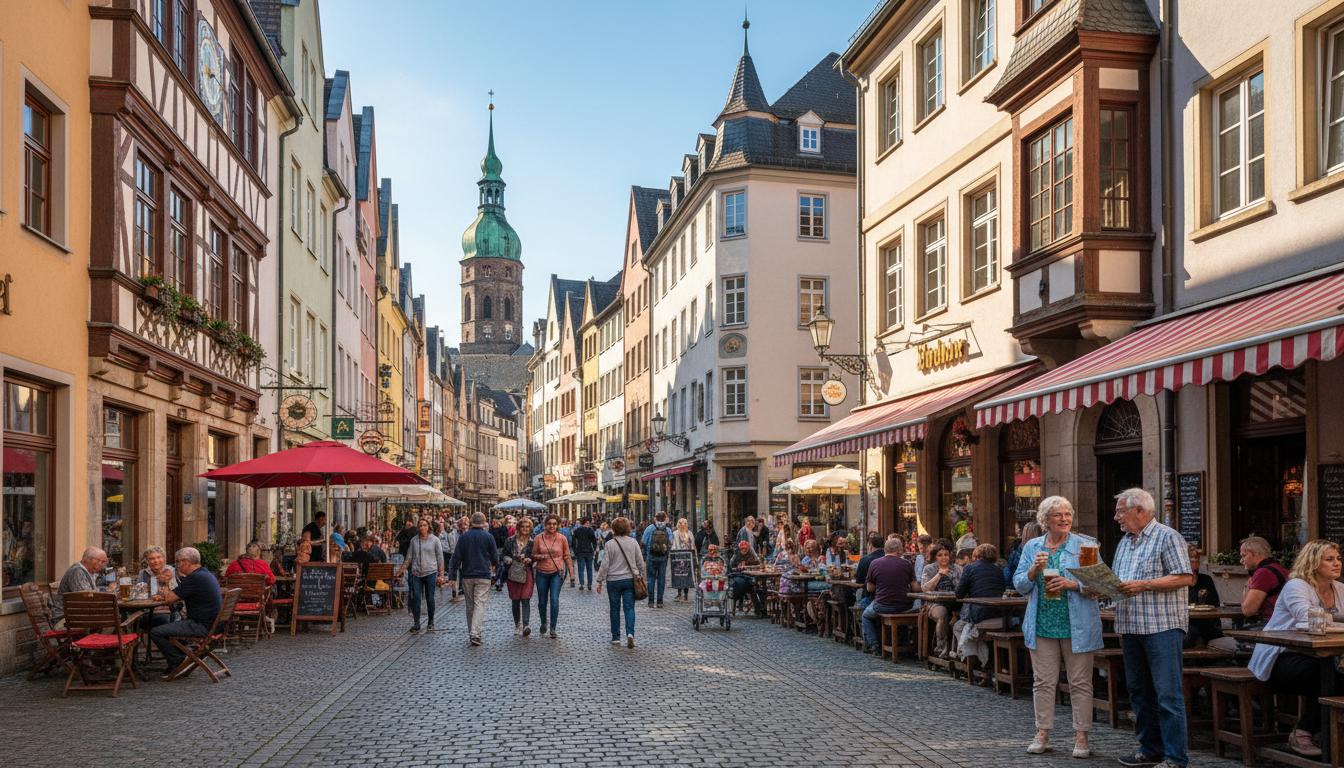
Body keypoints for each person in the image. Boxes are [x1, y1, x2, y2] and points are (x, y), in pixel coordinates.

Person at [1013, 496, 1103, 759]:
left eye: (1067, 514)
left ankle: (1081, 736)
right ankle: (1042, 732)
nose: (1064, 519)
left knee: (1080, 683)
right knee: (1043, 682)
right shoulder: (1032, 546)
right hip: (1042, 623)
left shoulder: (1085, 546)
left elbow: (1099, 586)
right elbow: (1019, 585)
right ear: (1045, 521)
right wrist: (1033, 570)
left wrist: (1071, 584)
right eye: (1058, 515)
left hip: (1078, 624)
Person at [1112, 488, 1195, 768]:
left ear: (1140, 511)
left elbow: (1184, 577)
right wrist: (1101, 589)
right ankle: (1150, 749)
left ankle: (1176, 757)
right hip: (1131, 625)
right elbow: (1119, 582)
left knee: (1167, 694)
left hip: (1162, 626)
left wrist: (1145, 584)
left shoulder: (1167, 536)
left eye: (1121, 511)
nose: (1116, 517)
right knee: (1138, 691)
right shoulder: (1124, 542)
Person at [1249, 539, 1344, 758]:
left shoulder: (1339, 589)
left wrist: (1331, 621)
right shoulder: (1296, 586)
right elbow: (1308, 616)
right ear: (1312, 562)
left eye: (1338, 558)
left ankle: (1328, 736)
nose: (1336, 563)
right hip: (1280, 656)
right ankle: (1303, 732)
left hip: (1323, 656)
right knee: (1325, 677)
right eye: (1329, 559)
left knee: (1330, 674)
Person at [150, 547, 222, 680]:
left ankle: (178, 661)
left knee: (156, 631)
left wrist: (164, 582)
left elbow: (170, 598)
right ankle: (182, 657)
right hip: (214, 625)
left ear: (186, 562)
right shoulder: (205, 574)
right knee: (166, 624)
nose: (176, 565)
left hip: (201, 626)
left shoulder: (194, 578)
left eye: (178, 562)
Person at [447, 512, 499, 646]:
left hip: (467, 575)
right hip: (483, 574)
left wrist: (452, 576)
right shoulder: (488, 537)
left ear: (471, 522)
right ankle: (475, 633)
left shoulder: (464, 537)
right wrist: (496, 574)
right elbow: (495, 557)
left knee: (470, 605)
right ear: (484, 522)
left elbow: (456, 558)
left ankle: (473, 632)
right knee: (479, 604)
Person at [861, 538, 919, 653]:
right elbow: (915, 588)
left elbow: (869, 588)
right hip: (904, 606)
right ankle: (905, 642)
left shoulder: (875, 563)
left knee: (865, 616)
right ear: (898, 550)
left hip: (882, 605)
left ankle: (874, 644)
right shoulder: (907, 564)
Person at [596, 516, 645, 647]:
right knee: (629, 608)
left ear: (614, 529)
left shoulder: (610, 544)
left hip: (613, 581)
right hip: (630, 580)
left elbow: (605, 564)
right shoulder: (633, 542)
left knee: (614, 608)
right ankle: (630, 633)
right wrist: (642, 576)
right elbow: (640, 562)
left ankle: (616, 637)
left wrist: (600, 580)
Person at [396, 518, 445, 633]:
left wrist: (441, 574)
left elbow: (440, 557)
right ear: (418, 528)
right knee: (416, 598)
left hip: (430, 572)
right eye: (420, 526)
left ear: (428, 527)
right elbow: (409, 557)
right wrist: (401, 570)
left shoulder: (435, 540)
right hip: (416, 573)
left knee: (430, 598)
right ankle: (417, 623)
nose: (422, 527)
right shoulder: (414, 540)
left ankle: (431, 621)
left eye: (424, 525)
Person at [532, 514, 573, 638]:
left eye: (555, 524)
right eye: (549, 524)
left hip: (557, 572)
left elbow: (567, 556)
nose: (552, 526)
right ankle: (544, 622)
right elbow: (533, 554)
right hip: (541, 572)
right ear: (545, 525)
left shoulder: (562, 538)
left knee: (554, 600)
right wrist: (541, 556)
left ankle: (553, 628)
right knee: (542, 601)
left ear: (558, 525)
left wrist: (572, 574)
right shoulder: (538, 538)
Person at [920, 543, 963, 657]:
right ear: (935, 557)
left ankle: (958, 650)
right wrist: (939, 575)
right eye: (940, 555)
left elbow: (961, 587)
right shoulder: (929, 568)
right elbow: (925, 588)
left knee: (965, 613)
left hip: (955, 602)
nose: (944, 557)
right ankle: (941, 647)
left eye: (946, 555)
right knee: (942, 613)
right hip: (934, 602)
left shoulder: (957, 568)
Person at [1236, 535, 1290, 626]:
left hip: (1270, 624)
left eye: (1244, 555)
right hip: (1283, 623)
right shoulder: (1280, 568)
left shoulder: (1264, 573)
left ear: (1256, 553)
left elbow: (1248, 610)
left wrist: (1249, 582)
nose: (1241, 560)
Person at [1185, 546, 1224, 649]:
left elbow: (1215, 603)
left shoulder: (1206, 579)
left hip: (1206, 621)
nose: (1195, 561)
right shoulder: (1178, 581)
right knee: (1192, 633)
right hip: (1186, 622)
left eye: (1197, 559)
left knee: (1216, 633)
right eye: (1192, 559)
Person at [503, 517, 535, 636]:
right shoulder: (510, 540)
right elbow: (504, 555)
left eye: (527, 527)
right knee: (515, 600)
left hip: (527, 572)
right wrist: (509, 560)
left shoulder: (532, 542)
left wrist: (530, 559)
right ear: (518, 528)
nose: (525, 529)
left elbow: (535, 557)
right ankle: (517, 624)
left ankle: (526, 625)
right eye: (523, 526)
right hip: (513, 571)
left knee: (526, 598)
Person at [55, 547, 108, 619]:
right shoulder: (77, 571)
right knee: (113, 619)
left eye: (104, 562)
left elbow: (92, 593)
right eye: (100, 561)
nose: (102, 565)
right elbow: (86, 598)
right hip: (67, 617)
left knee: (114, 617)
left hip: (79, 614)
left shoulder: (89, 571)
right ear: (87, 559)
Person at [642, 512, 673, 608]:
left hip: (651, 557)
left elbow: (643, 541)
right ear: (665, 519)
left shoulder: (649, 528)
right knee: (661, 579)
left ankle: (651, 602)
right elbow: (671, 543)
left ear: (655, 518)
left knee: (651, 579)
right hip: (663, 558)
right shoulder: (667, 530)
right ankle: (660, 601)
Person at [728, 539, 764, 616]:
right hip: (738, 576)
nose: (744, 550)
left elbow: (757, 564)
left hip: (749, 576)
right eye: (742, 549)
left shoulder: (751, 555)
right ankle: (758, 609)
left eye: (745, 549)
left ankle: (759, 609)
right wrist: (738, 567)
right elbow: (731, 565)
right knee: (749, 587)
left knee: (755, 587)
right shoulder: (736, 555)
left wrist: (749, 566)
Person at [854, 533, 886, 609]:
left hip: (872, 598)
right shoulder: (889, 558)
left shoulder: (865, 560)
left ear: (870, 545)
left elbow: (859, 581)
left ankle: (859, 619)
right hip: (891, 598)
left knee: (858, 594)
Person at [670, 517, 696, 602]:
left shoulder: (689, 533)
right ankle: (679, 593)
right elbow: (674, 545)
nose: (682, 525)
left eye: (684, 524)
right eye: (681, 523)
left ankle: (685, 594)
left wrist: (693, 555)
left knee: (686, 576)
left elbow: (692, 545)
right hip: (678, 557)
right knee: (678, 575)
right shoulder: (675, 533)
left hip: (687, 557)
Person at [571, 518, 598, 591]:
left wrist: (575, 551)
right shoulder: (590, 530)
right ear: (586, 522)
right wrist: (594, 550)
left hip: (580, 552)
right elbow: (594, 542)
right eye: (588, 523)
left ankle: (582, 584)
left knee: (581, 569)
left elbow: (573, 542)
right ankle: (589, 584)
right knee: (589, 569)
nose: (589, 524)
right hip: (589, 552)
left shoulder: (577, 530)